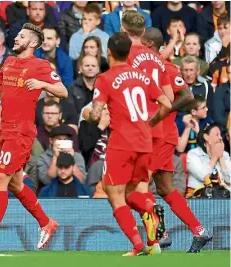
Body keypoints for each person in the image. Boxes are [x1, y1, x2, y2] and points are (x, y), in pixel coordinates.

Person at [0, 23, 68, 253]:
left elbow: (63, 91)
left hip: (20, 133)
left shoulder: (40, 65)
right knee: (15, 183)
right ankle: (46, 222)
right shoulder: (9, 62)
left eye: (21, 36)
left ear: (32, 42)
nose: (16, 38)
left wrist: (43, 84)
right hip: (6, 131)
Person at [89, 32, 172, 256]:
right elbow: (167, 102)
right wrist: (150, 121)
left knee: (113, 195)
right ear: (129, 52)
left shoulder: (105, 79)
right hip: (145, 143)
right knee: (133, 191)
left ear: (108, 52)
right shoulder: (143, 76)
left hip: (121, 143)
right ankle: (150, 215)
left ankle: (137, 244)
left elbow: (96, 115)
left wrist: (90, 114)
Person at [140, 28, 213, 253]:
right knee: (164, 188)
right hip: (163, 136)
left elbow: (188, 97)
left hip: (158, 136)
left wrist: (163, 111)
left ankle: (159, 235)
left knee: (137, 186)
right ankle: (199, 231)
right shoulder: (161, 67)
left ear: (148, 44)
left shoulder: (163, 68)